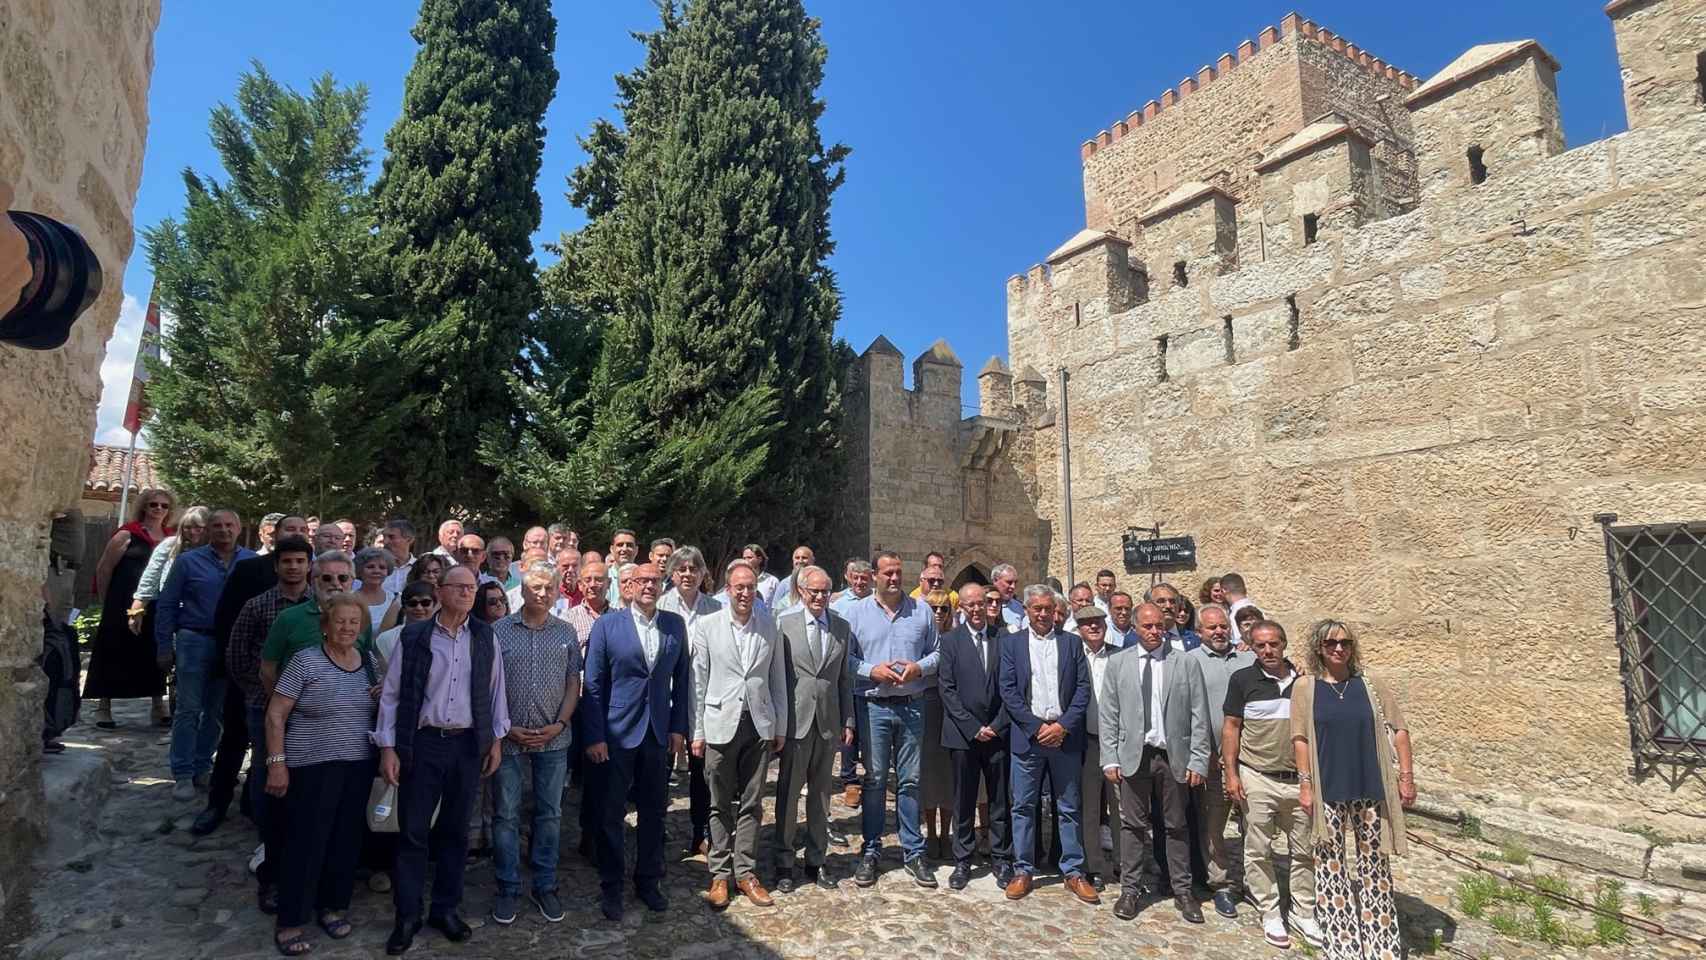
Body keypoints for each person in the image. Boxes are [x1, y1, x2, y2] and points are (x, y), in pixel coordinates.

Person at [374, 565, 509, 955]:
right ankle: (407, 915)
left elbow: (496, 689)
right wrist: (387, 747)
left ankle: (445, 910)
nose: (468, 593)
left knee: (455, 833)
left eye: (472, 588)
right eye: (460, 587)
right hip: (424, 743)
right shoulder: (415, 635)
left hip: (467, 746)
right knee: (413, 832)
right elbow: (393, 694)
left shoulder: (485, 636)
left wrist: (496, 740)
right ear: (442, 590)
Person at [1293, 619, 1416, 960]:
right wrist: (1305, 785)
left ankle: (1381, 946)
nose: (1339, 648)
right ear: (1320, 647)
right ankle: (1343, 945)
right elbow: (1300, 739)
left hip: (1370, 786)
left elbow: (1400, 730)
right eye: (1331, 643)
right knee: (1330, 866)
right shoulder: (1306, 687)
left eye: (1345, 643)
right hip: (1327, 787)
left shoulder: (1371, 684)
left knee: (1374, 866)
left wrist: (1406, 777)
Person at [263, 593, 378, 957]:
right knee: (305, 843)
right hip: (310, 766)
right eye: (340, 621)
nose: (347, 627)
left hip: (358, 764)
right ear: (325, 626)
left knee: (345, 840)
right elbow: (275, 714)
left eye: (353, 622)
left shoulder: (370, 663)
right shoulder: (306, 661)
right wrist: (276, 762)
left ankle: (333, 906)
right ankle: (291, 920)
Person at [582, 562, 691, 921]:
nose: (648, 586)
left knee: (654, 811)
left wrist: (678, 728)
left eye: (654, 581)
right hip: (616, 734)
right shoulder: (607, 625)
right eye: (641, 581)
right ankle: (611, 885)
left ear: (662, 585)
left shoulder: (674, 625)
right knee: (612, 813)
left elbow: (682, 680)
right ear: (627, 586)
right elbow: (594, 685)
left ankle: (648, 880)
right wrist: (595, 735)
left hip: (657, 734)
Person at [196, 515, 311, 837]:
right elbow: (229, 624)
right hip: (251, 684)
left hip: (298, 695)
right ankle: (217, 803)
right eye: (291, 530)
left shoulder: (316, 598)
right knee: (235, 740)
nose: (293, 565)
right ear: (275, 537)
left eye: (303, 532)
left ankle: (263, 810)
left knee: (275, 756)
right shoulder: (249, 573)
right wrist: (252, 682)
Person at [1099, 601, 1212, 923]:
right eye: (1147, 626)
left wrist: (1199, 760)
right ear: (1135, 628)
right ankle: (1130, 890)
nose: (1154, 632)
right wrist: (1109, 757)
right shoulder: (1118, 663)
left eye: (1159, 626)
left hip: (1172, 756)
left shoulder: (1185, 663)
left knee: (1177, 826)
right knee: (1132, 827)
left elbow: (1199, 715)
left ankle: (1183, 891)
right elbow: (1109, 714)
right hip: (1134, 756)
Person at [226, 536, 318, 912]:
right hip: (267, 708)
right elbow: (237, 655)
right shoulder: (258, 606)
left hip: (313, 712)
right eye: (287, 561)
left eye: (300, 561)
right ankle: (270, 844)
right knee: (269, 776)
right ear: (277, 566)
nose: (294, 567)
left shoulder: (321, 606)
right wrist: (268, 693)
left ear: (309, 565)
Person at [490, 561, 582, 926]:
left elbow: (574, 682)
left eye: (548, 587)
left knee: (550, 814)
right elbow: (488, 686)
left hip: (554, 738)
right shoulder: (498, 631)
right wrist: (506, 727)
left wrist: (559, 723)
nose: (542, 593)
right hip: (508, 737)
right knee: (506, 815)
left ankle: (544, 884)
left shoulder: (566, 632)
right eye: (535, 587)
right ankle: (508, 887)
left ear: (558, 590)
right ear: (522, 590)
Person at [691, 560, 787, 910]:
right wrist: (697, 731)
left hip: (759, 723)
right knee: (718, 803)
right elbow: (698, 683)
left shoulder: (769, 625)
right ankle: (719, 874)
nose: (745, 593)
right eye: (739, 587)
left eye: (751, 587)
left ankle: (745, 872)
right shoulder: (707, 625)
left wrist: (780, 726)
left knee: (751, 803)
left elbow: (777, 678)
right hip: (719, 723)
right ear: (728, 590)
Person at [1223, 619, 1321, 949]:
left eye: (1274, 644)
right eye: (1260, 645)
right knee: (1258, 849)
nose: (1267, 650)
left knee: (1305, 849)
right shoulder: (1242, 680)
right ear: (1251, 646)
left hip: (1299, 780)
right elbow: (1231, 728)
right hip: (1258, 775)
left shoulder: (1305, 683)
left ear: (1284, 644)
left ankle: (1303, 911)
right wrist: (1232, 773)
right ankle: (1269, 910)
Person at [845, 551, 940, 888]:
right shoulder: (855, 614)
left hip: (912, 705)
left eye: (899, 572)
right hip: (873, 707)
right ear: (873, 576)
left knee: (911, 781)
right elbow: (846, 659)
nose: (895, 579)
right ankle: (871, 850)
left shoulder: (922, 610)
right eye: (888, 573)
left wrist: (919, 668)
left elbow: (937, 653)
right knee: (873, 780)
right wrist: (872, 670)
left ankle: (913, 852)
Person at [998, 584, 1097, 904]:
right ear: (1025, 610)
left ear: (1056, 611)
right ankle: (1023, 869)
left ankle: (1073, 871)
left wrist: (1062, 727)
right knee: (1023, 806)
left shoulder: (1071, 644)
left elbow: (1083, 690)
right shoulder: (1012, 644)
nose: (1042, 614)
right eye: (1036, 608)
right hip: (1029, 739)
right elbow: (1009, 691)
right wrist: (1036, 727)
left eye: (1047, 609)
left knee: (1068, 807)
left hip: (1065, 739)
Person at [158, 508, 255, 801]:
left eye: (229, 525)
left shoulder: (252, 562)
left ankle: (203, 764)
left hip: (234, 644)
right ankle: (183, 772)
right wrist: (164, 645)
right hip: (195, 641)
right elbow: (167, 604)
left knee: (216, 710)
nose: (224, 530)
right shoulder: (188, 561)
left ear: (238, 528)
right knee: (188, 708)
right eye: (217, 525)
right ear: (208, 530)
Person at [772, 565, 854, 893]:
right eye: (813, 591)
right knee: (788, 796)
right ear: (802, 592)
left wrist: (848, 720)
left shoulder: (842, 628)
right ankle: (783, 861)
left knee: (821, 797)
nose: (819, 597)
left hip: (828, 723)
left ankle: (816, 860)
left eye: (824, 592)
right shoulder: (784, 625)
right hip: (795, 722)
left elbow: (845, 679)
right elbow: (775, 677)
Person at [936, 582, 1012, 891]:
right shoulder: (950, 641)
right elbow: (947, 689)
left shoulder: (1005, 639)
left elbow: (1014, 686)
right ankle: (963, 860)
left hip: (998, 732)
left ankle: (1002, 858)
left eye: (982, 603)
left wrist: (997, 724)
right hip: (962, 735)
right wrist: (972, 727)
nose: (977, 609)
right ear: (962, 609)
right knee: (963, 799)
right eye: (971, 605)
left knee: (999, 800)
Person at [84, 487, 174, 729]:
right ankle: (104, 707)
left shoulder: (171, 538)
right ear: (144, 506)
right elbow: (104, 569)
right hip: (121, 602)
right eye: (153, 504)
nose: (158, 509)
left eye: (164, 505)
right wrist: (107, 602)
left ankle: (158, 705)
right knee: (114, 650)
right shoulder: (126, 535)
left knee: (155, 652)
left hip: (157, 604)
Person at [1186, 604, 1255, 917]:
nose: (1218, 632)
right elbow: (1186, 714)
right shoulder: (1190, 662)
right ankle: (1221, 884)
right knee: (1215, 825)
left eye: (1223, 626)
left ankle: (1256, 884)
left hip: (1253, 760)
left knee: (1256, 825)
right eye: (1211, 627)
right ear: (1199, 631)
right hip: (1214, 759)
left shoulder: (1249, 658)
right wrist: (1202, 753)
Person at [658, 546, 721, 857]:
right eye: (681, 569)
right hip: (665, 698)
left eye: (693, 569)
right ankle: (656, 828)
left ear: (702, 574)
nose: (687, 574)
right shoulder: (659, 606)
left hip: (703, 698)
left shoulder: (716, 609)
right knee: (659, 769)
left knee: (701, 771)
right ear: (672, 574)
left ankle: (701, 832)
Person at [561, 558, 612, 862]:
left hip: (606, 708)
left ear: (609, 583)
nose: (594, 584)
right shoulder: (567, 620)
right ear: (580, 585)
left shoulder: (621, 618)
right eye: (588, 580)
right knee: (567, 773)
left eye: (600, 579)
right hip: (574, 705)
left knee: (599, 773)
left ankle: (592, 834)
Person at [1074, 605, 1120, 890]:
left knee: (1120, 807)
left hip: (1117, 741)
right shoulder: (1074, 656)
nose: (1093, 627)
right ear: (1078, 628)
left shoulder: (1121, 655)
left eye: (1098, 622)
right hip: (1087, 740)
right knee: (1089, 807)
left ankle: (1123, 864)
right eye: (1086, 623)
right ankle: (1093, 866)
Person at [919, 588, 958, 859]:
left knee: (948, 774)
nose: (938, 613)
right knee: (928, 773)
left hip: (951, 709)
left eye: (944, 608)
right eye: (933, 608)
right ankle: (930, 832)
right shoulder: (920, 638)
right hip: (926, 705)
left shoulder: (956, 639)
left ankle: (946, 833)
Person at [374, 581, 436, 678]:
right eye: (412, 603)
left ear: (434, 606)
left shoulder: (445, 637)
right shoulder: (386, 638)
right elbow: (384, 677)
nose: (419, 608)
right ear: (403, 608)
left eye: (425, 603)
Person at [353, 547, 398, 634]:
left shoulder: (394, 599)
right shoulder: (348, 599)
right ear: (359, 570)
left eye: (382, 567)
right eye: (370, 567)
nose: (377, 571)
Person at [1147, 583, 1199, 651]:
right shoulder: (1137, 639)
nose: (1168, 606)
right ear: (1149, 604)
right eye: (1161, 601)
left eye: (1173, 601)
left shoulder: (1194, 639)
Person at [602, 530, 641, 606]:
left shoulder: (645, 577)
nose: (624, 549)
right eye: (620, 545)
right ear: (612, 549)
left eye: (629, 545)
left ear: (636, 550)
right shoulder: (604, 577)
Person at [380, 519, 419, 593]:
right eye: (384, 537)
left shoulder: (420, 568)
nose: (385, 541)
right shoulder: (374, 568)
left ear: (409, 540)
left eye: (391, 537)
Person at [990, 563, 1026, 631]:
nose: (1013, 586)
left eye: (1015, 582)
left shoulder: (1020, 608)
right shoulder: (981, 605)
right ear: (995, 581)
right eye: (1009, 582)